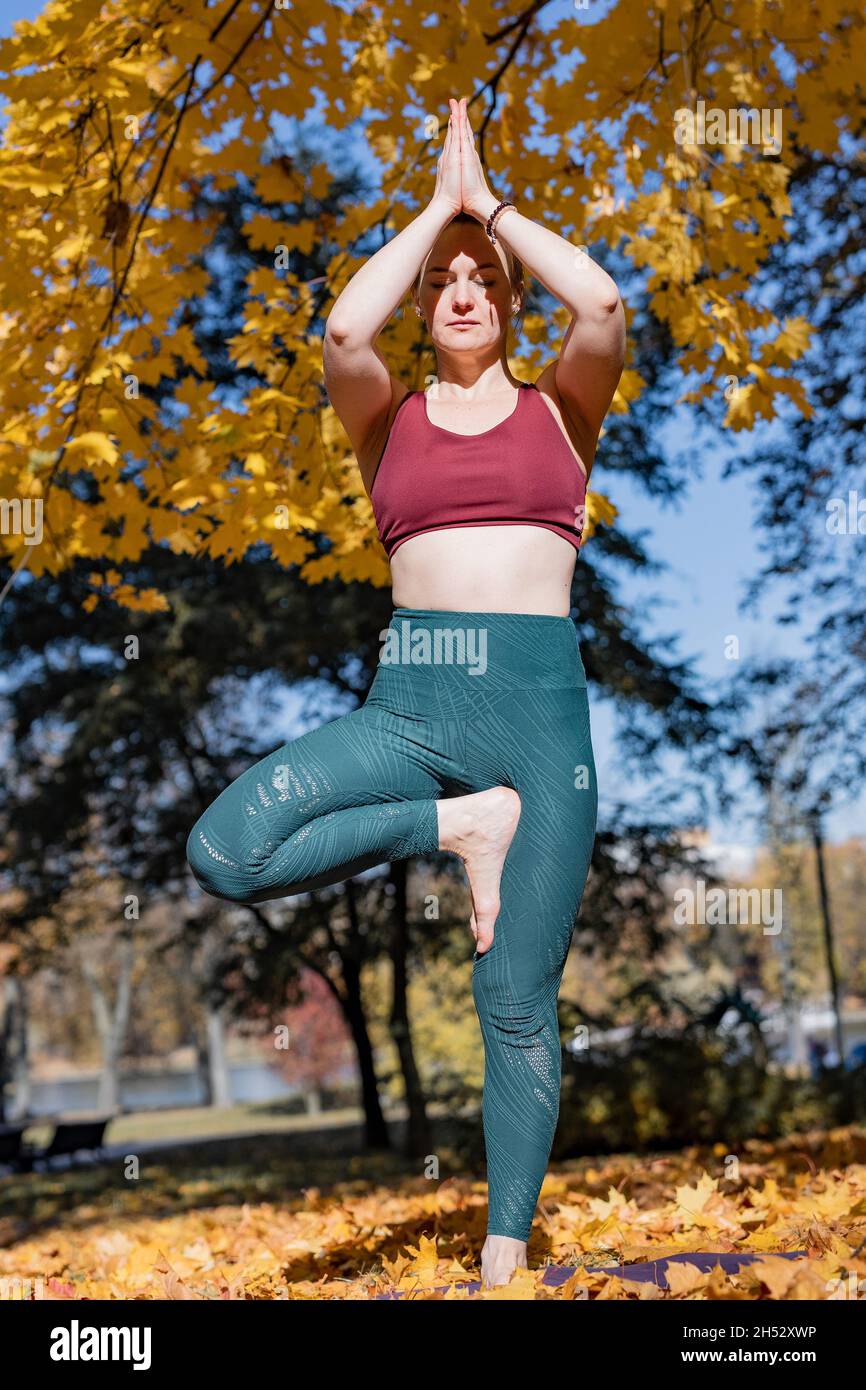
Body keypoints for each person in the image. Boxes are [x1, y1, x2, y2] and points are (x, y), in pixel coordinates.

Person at [186, 96, 625, 1288]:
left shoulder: (562, 412)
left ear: (508, 303)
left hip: (538, 719)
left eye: (483, 278)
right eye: (445, 281)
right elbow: (336, 331)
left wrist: (489, 208)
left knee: (515, 999)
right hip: (411, 704)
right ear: (427, 305)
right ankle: (455, 827)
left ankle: (500, 1257)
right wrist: (435, 210)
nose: (466, 289)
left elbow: (603, 305)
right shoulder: (385, 424)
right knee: (225, 849)